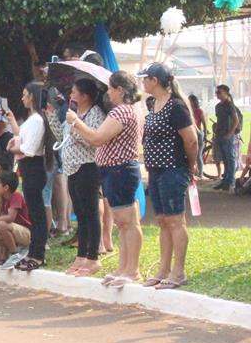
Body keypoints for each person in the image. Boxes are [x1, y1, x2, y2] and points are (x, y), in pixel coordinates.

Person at [68, 70, 144, 288]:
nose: (108, 92)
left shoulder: (121, 112)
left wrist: (76, 122)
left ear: (120, 90)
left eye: (111, 88)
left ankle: (132, 269)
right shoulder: (129, 110)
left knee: (127, 221)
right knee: (123, 222)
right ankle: (124, 267)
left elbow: (97, 138)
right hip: (115, 170)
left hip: (119, 169)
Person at [139, 63, 198, 290]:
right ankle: (164, 269)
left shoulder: (176, 107)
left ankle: (178, 271)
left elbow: (191, 140)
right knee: (163, 220)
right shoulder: (153, 104)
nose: (143, 83)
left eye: (145, 79)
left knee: (175, 220)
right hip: (156, 170)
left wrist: (190, 167)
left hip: (173, 168)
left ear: (155, 80)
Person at [54, 78, 106, 277]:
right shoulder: (74, 114)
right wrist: (52, 114)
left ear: (84, 96)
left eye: (74, 92)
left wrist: (75, 124)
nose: (71, 95)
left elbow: (92, 140)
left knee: (91, 213)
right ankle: (81, 254)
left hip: (88, 167)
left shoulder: (94, 114)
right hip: (72, 168)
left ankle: (92, 256)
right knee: (81, 214)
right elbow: (62, 137)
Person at [9, 82, 56, 271]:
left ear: (32, 97)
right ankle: (33, 251)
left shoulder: (37, 120)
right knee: (34, 213)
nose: (22, 98)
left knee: (37, 215)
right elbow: (21, 137)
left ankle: (38, 254)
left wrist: (13, 148)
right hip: (28, 168)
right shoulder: (32, 119)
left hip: (33, 167)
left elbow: (28, 149)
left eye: (25, 94)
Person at [213, 84, 240, 191]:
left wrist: (230, 133)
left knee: (230, 159)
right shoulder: (218, 106)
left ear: (226, 93)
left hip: (228, 136)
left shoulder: (230, 105)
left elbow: (236, 120)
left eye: (219, 92)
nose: (217, 94)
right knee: (225, 159)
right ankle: (225, 181)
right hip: (220, 135)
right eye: (217, 92)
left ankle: (230, 181)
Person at [190, 94, 207, 179]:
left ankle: (200, 173)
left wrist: (205, 134)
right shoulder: (188, 110)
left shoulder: (199, 111)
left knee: (198, 155)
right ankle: (194, 172)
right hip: (190, 134)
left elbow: (204, 123)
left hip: (198, 133)